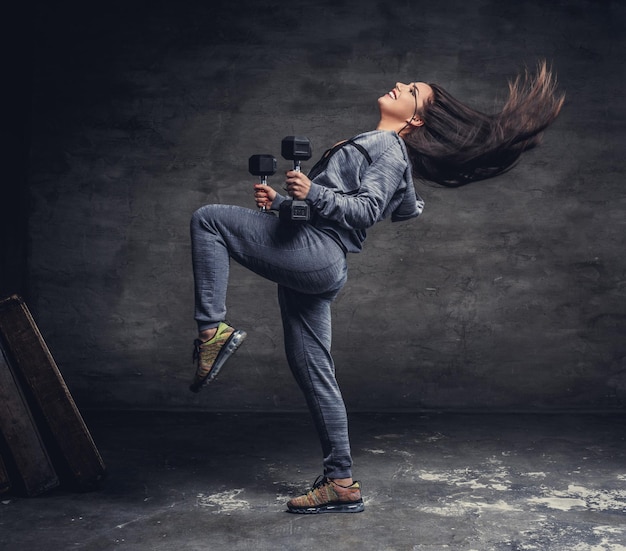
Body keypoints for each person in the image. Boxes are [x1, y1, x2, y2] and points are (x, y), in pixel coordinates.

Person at [188, 61, 564, 514]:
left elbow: (365, 211)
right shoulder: (381, 147)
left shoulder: (387, 146)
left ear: (416, 118)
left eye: (412, 89)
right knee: (315, 372)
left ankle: (211, 332)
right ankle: (341, 483)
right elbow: (399, 206)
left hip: (318, 253)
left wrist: (311, 193)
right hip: (314, 256)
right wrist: (285, 203)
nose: (401, 84)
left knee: (208, 219)